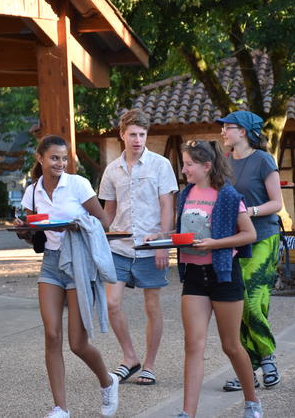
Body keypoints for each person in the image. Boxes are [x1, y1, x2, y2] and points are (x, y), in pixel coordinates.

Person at [14, 135, 119, 418]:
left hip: (79, 262)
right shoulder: (33, 191)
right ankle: (60, 407)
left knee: (77, 343)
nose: (60, 163)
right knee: (51, 334)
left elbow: (102, 223)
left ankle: (108, 381)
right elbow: (32, 232)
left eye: (63, 158)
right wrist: (23, 228)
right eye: (54, 158)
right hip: (51, 263)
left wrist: (76, 224)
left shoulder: (77, 184)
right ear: (40, 158)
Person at [166, 140, 261, 418]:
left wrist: (215, 244)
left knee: (231, 345)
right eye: (184, 164)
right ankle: (188, 413)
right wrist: (158, 239)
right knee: (193, 344)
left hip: (224, 274)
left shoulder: (229, 196)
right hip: (194, 276)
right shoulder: (185, 195)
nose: (184, 170)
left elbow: (249, 235)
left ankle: (252, 402)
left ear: (207, 166)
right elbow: (182, 232)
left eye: (189, 165)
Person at [97, 109, 178, 386]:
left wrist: (162, 244)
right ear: (122, 135)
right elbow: (109, 211)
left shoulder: (161, 165)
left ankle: (150, 365)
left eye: (142, 135)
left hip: (150, 246)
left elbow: (168, 206)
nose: (137, 140)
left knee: (152, 306)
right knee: (111, 303)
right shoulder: (112, 169)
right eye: (132, 134)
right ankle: (130, 357)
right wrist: (95, 235)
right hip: (118, 246)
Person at [218, 110, 283, 391]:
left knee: (253, 301)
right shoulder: (225, 162)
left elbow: (277, 203)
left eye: (227, 127)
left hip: (264, 237)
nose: (222, 132)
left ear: (242, 131)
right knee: (238, 304)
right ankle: (249, 371)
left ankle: (267, 357)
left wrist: (248, 211)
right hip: (236, 240)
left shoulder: (263, 160)